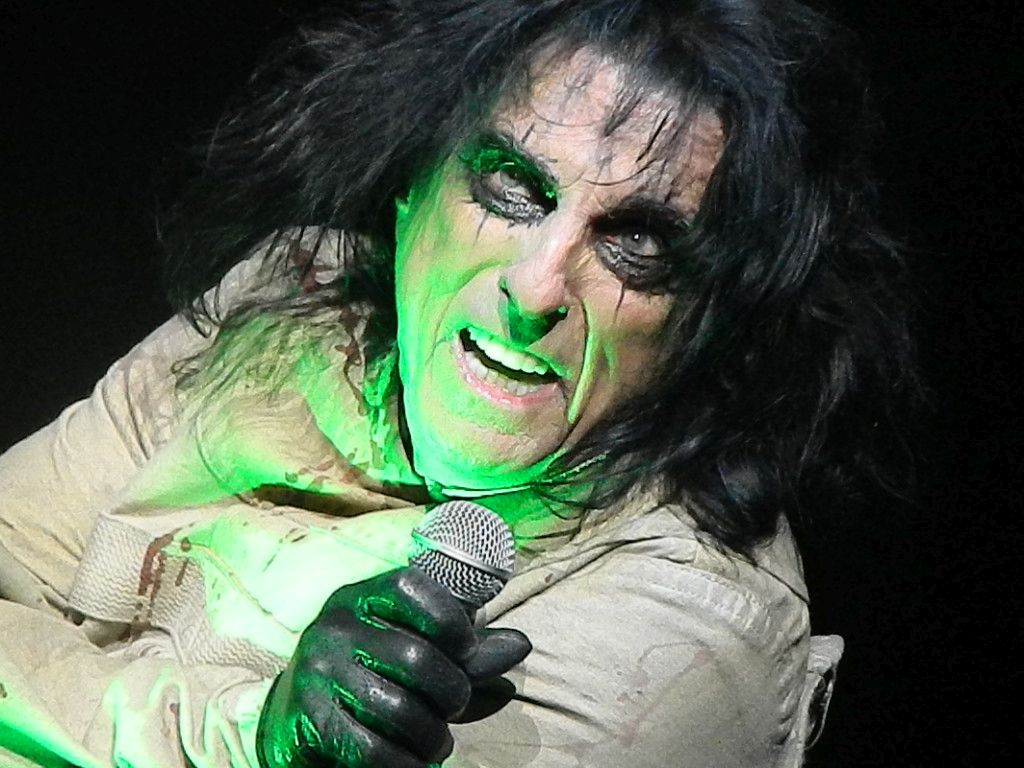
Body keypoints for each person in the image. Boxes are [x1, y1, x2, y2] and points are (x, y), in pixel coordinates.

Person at [0, 1, 920, 766]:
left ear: (715, 319)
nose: (537, 287)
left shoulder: (684, 627)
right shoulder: (289, 302)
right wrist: (247, 731)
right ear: (410, 182)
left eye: (637, 241)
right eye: (513, 187)